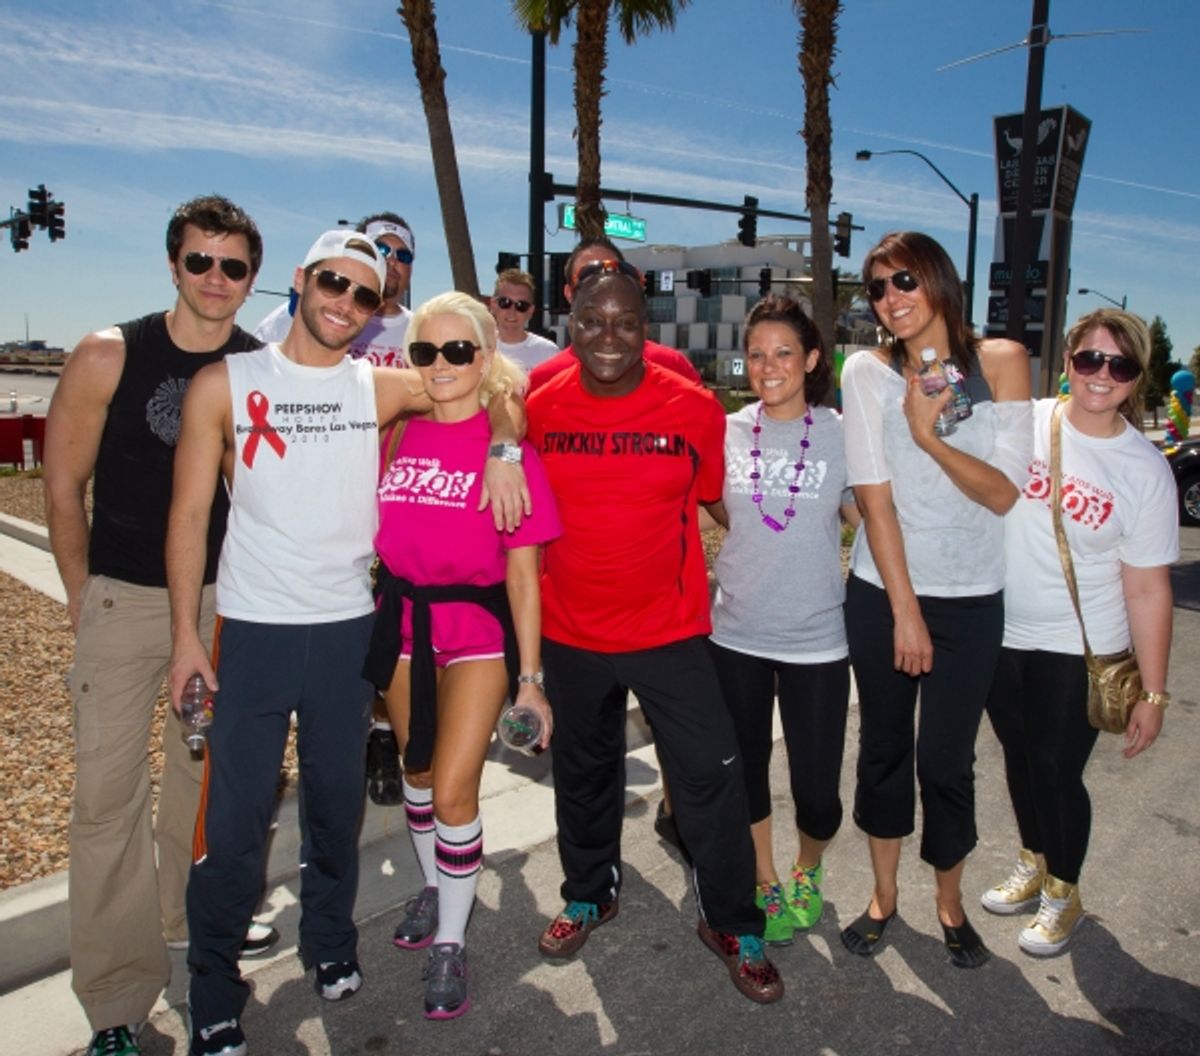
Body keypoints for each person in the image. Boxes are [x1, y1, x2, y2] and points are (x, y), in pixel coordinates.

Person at [166, 230, 527, 1056]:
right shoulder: (226, 382)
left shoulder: (378, 385)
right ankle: (213, 989)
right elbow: (189, 514)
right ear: (300, 282)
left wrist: (505, 450)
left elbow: (487, 379)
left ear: (374, 312)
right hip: (252, 628)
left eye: (364, 295)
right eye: (333, 283)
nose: (344, 303)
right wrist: (187, 635)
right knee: (234, 821)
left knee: (334, 812)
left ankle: (331, 946)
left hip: (347, 634)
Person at [43, 194, 277, 1056]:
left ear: (252, 278)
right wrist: (82, 592)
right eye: (200, 261)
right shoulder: (111, 354)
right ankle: (115, 999)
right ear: (173, 263)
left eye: (234, 266)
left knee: (206, 787)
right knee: (106, 800)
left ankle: (191, 928)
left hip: (228, 604)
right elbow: (64, 486)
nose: (216, 280)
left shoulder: (263, 368)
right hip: (125, 601)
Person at [527, 259, 783, 1004]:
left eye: (626, 322)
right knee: (582, 773)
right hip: (571, 628)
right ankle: (588, 893)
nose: (609, 336)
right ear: (570, 326)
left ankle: (731, 921)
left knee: (710, 776)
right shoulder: (539, 402)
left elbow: (715, 501)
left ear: (648, 330)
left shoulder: (691, 408)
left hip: (668, 629)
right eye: (592, 322)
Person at [362, 292, 561, 1019]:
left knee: (452, 790)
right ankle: (433, 883)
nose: (441, 365)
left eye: (458, 351)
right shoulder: (394, 432)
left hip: (474, 634)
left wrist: (531, 681)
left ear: (485, 358)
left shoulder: (508, 449)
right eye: (426, 351)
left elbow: (524, 573)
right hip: (401, 627)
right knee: (415, 772)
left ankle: (451, 937)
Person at [839, 231, 1032, 969]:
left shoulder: (1001, 363)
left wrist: (931, 437)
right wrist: (905, 610)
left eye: (905, 281)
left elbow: (1004, 492)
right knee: (884, 749)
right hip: (885, 595)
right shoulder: (866, 372)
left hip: (973, 599)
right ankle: (884, 896)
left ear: (939, 282)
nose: (892, 300)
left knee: (947, 763)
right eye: (878, 289)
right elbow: (875, 502)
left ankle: (948, 900)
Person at [982, 308, 1176, 956]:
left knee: (1055, 770)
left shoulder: (1143, 469)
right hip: (1002, 634)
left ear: (1137, 377)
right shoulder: (1028, 420)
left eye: (1119, 364)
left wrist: (1153, 693)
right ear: (1066, 360)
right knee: (1017, 758)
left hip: (1078, 647)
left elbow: (1148, 587)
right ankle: (1035, 859)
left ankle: (1064, 892)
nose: (1101, 375)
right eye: (1089, 358)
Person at [705, 295, 858, 946]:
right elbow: (715, 502)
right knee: (745, 774)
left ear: (813, 359)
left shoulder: (842, 433)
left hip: (818, 636)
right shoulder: (728, 429)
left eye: (784, 353)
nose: (768, 367)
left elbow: (863, 516)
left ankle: (808, 866)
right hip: (735, 631)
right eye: (757, 354)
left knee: (819, 792)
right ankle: (765, 874)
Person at [525, 236, 701, 393]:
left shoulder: (672, 365)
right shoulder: (544, 379)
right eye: (588, 279)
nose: (604, 285)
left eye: (614, 274)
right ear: (569, 293)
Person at [489, 267, 559, 373]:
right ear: (493, 305)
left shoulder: (548, 353)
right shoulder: (478, 349)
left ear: (530, 311)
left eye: (521, 305)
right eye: (505, 302)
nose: (512, 311)